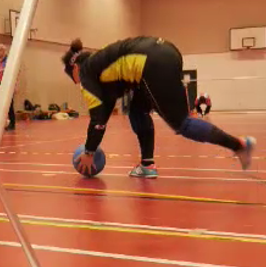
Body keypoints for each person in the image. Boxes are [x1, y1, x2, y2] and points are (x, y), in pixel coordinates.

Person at [61, 37, 255, 178]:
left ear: (75, 68)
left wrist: (89, 152)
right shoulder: (99, 65)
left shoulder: (86, 74)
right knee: (137, 111)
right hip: (165, 51)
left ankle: (239, 145)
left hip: (150, 63)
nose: (75, 82)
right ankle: (147, 165)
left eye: (72, 76)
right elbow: (107, 105)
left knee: (183, 125)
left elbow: (97, 120)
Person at [0, 44, 16, 131]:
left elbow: (14, 73)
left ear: (3, 51)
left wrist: (14, 86)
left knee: (9, 104)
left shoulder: (9, 61)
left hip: (8, 84)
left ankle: (12, 123)